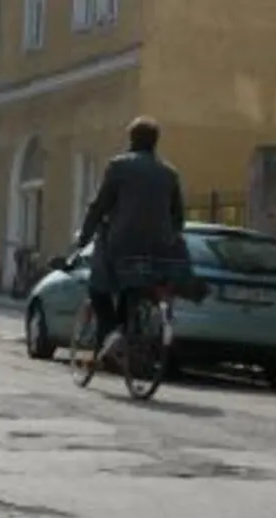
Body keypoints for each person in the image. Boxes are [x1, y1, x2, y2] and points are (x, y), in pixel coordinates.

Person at [73, 116, 186, 362]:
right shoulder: (169, 173)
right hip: (159, 248)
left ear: (131, 140)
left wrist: (84, 237)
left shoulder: (119, 166)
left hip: (121, 242)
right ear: (155, 142)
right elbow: (179, 217)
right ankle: (125, 331)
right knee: (133, 286)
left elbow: (100, 206)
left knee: (98, 288)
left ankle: (112, 333)